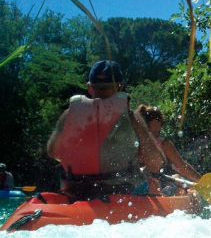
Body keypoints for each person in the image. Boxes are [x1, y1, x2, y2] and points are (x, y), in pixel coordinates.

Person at [47, 60, 165, 199]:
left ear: (90, 87)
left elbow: (53, 152)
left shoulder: (70, 115)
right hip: (121, 198)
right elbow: (156, 164)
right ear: (119, 86)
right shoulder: (131, 118)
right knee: (152, 182)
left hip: (77, 196)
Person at [139, 105, 201, 196]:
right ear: (144, 128)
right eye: (151, 133)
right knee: (152, 184)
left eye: (158, 132)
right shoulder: (136, 142)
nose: (155, 137)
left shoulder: (164, 144)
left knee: (179, 183)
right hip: (140, 180)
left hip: (161, 179)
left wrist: (201, 181)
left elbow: (182, 166)